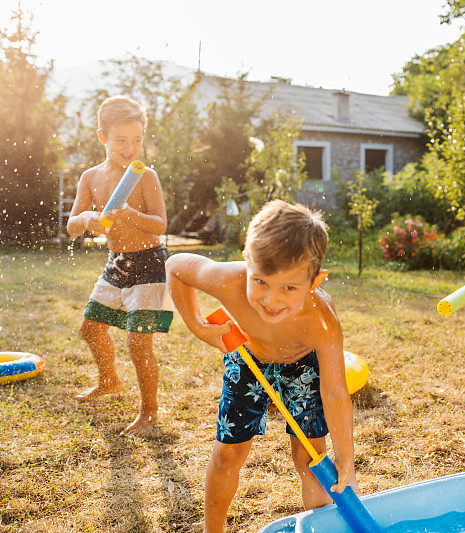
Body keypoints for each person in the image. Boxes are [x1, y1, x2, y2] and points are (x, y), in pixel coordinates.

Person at [165, 200, 356, 533]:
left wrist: (347, 462)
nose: (271, 300)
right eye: (262, 282)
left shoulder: (322, 322)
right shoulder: (227, 280)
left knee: (312, 457)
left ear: (314, 281)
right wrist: (197, 325)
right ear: (246, 260)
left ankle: (320, 528)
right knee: (228, 453)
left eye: (289, 288)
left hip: (303, 363)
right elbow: (177, 266)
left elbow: (336, 392)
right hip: (249, 357)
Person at [66, 95, 172, 437]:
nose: (130, 149)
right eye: (121, 141)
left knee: (138, 343)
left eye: (137, 140)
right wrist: (87, 218)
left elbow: (160, 225)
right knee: (90, 329)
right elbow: (71, 226)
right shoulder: (91, 178)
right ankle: (109, 380)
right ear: (102, 138)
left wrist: (130, 214)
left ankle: (149, 412)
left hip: (151, 264)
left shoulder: (145, 175)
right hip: (118, 264)